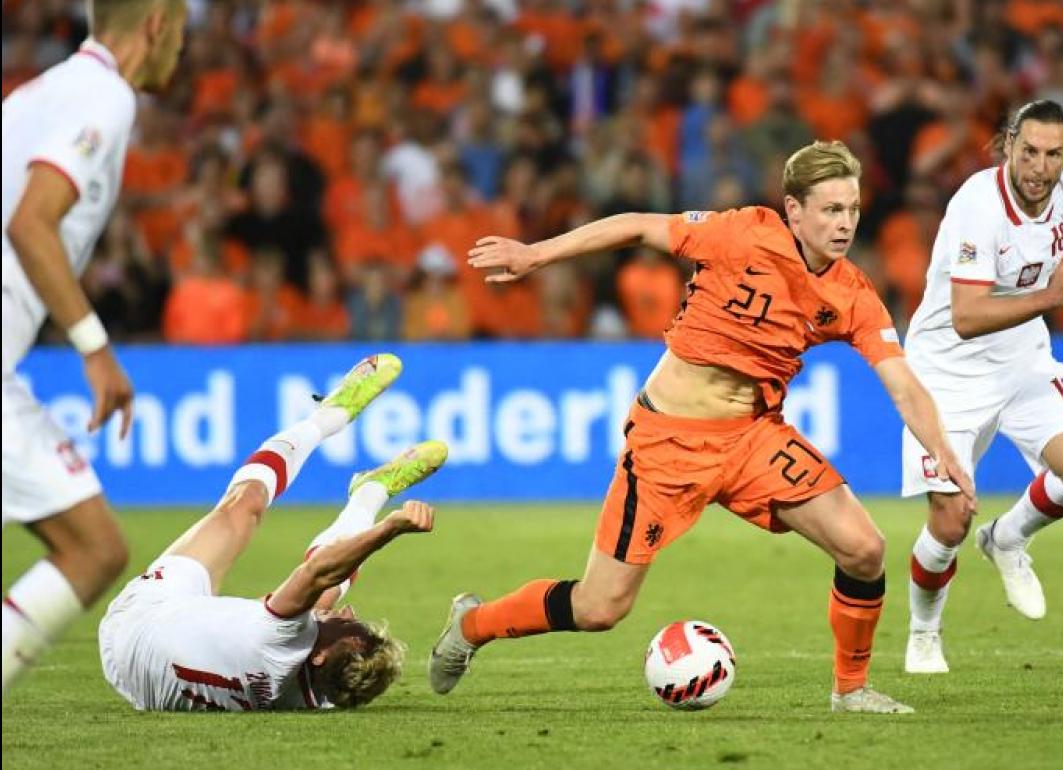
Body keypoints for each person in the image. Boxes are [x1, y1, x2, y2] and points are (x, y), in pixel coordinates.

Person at [431, 140, 975, 714]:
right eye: (831, 210)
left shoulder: (851, 293)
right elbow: (638, 226)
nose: (844, 224)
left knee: (864, 549)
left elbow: (903, 383)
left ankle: (851, 690)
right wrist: (535, 256)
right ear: (794, 210)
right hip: (669, 442)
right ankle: (474, 625)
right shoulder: (742, 233)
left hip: (754, 439)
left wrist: (944, 452)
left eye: (853, 210)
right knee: (600, 607)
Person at [900, 100, 1063, 674]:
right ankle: (923, 632)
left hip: (1020, 359)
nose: (1040, 167)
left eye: (1053, 154)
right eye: (1029, 152)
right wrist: (1050, 299)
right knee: (948, 520)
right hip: (947, 370)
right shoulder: (976, 205)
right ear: (1008, 146)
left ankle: (1008, 538)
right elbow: (966, 315)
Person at [2, 0, 189, 696]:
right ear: (154, 25)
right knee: (95, 547)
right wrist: (95, 349)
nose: (183, 49)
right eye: (182, 32)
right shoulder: (103, 95)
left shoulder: (39, 92)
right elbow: (31, 224)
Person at [98, 354, 449, 711]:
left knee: (245, 506)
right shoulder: (331, 692)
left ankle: (328, 417)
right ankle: (370, 490)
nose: (350, 613)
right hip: (157, 680)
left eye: (349, 626)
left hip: (135, 626)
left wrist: (389, 528)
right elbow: (341, 646)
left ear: (319, 657)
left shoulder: (276, 645)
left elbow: (320, 570)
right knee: (318, 603)